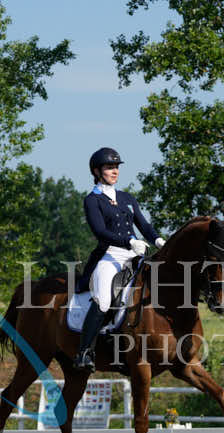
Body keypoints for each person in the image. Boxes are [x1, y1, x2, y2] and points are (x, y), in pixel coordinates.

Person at [73, 147, 165, 372]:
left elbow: (143, 225)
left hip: (135, 254)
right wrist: (128, 241)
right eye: (109, 167)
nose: (114, 171)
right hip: (110, 255)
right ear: (97, 171)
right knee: (104, 300)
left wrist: (158, 240)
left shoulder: (127, 198)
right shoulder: (92, 200)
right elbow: (100, 232)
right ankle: (84, 353)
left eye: (116, 167)